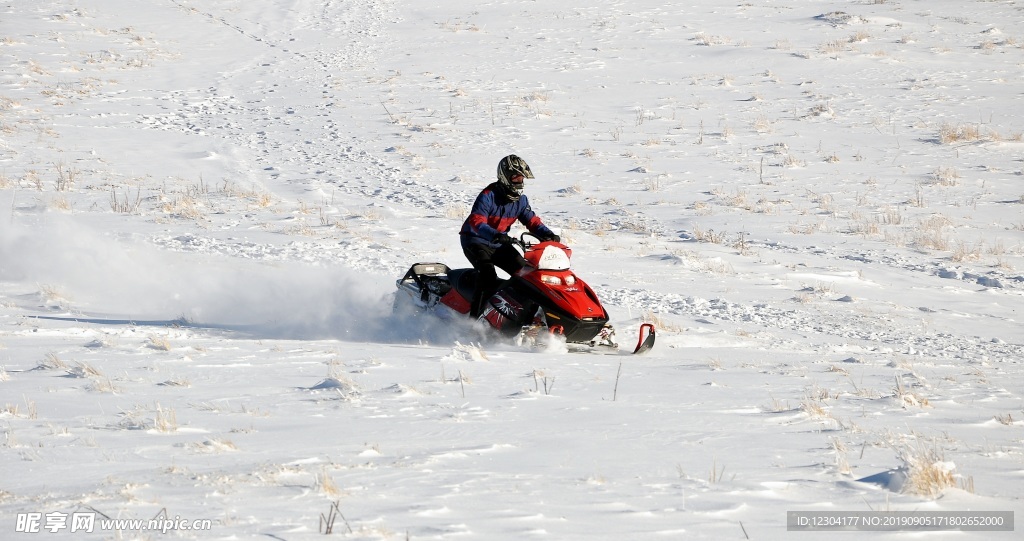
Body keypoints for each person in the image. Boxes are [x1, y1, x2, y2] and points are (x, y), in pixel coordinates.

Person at [459, 155, 560, 317]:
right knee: (488, 277)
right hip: (475, 241)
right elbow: (476, 221)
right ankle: (475, 320)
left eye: (522, 178)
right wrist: (495, 235)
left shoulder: (521, 200)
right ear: (504, 177)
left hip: (499, 244)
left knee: (527, 274)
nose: (520, 182)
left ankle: (528, 316)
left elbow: (532, 221)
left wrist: (548, 234)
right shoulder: (487, 195)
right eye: (516, 178)